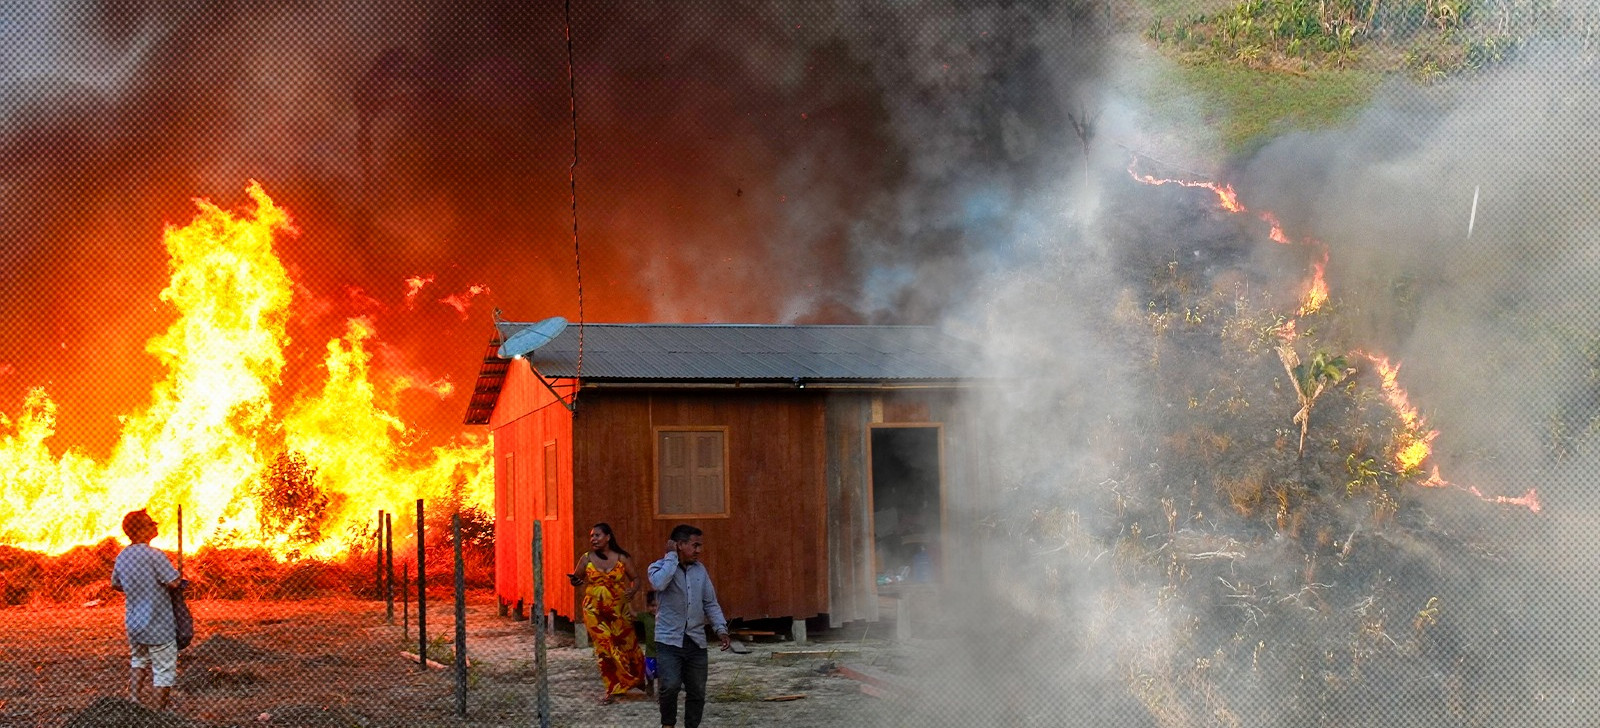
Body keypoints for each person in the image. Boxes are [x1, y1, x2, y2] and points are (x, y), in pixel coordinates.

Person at [648, 524, 731, 728]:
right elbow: (658, 584)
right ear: (680, 545)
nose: (698, 550)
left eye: (699, 546)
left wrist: (721, 629)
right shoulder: (658, 567)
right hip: (668, 640)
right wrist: (671, 557)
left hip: (696, 641)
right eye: (695, 545)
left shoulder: (700, 570)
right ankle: (668, 725)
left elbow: (710, 602)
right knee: (670, 686)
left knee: (697, 691)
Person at [110, 509, 181, 711]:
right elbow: (174, 582)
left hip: (134, 622)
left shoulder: (123, 556)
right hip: (158, 622)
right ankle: (158, 714)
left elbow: (115, 583)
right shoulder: (154, 555)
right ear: (140, 530)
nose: (155, 525)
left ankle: (134, 700)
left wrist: (137, 586)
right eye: (151, 523)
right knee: (164, 668)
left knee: (138, 659)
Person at [570, 522, 648, 704]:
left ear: (608, 537)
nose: (593, 539)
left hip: (619, 611)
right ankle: (613, 688)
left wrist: (632, 590)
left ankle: (636, 679)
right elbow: (577, 577)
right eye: (591, 536)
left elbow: (636, 579)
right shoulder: (586, 558)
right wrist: (575, 581)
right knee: (605, 646)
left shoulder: (622, 558)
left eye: (597, 535)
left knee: (627, 646)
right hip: (593, 610)